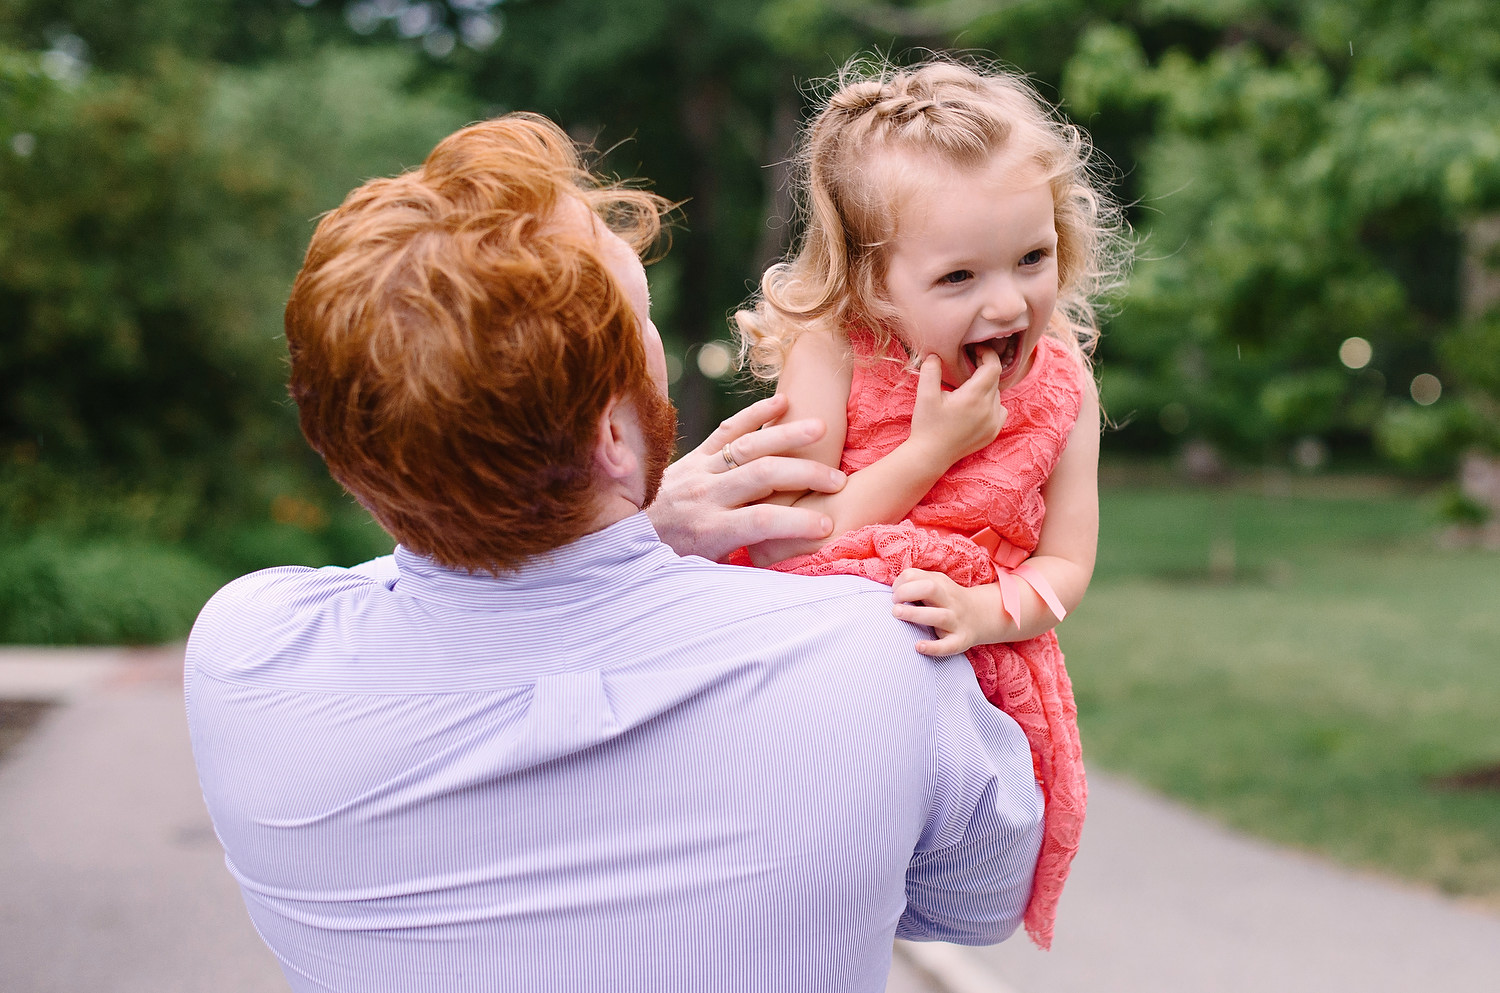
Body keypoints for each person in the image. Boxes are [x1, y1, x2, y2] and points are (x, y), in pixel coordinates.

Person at [184, 111, 1046, 993]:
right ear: (612, 437)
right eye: (643, 319)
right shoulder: (875, 653)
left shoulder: (244, 655)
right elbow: (976, 903)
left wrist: (627, 521)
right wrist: (642, 525)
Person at [732, 56, 1129, 949]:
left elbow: (1067, 565)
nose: (1007, 299)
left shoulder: (1064, 387)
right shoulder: (834, 353)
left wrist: (988, 612)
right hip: (810, 668)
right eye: (958, 278)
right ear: (874, 281)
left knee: (947, 906)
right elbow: (789, 543)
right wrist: (934, 449)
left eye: (1032, 258)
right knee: (805, 898)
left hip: (977, 658)